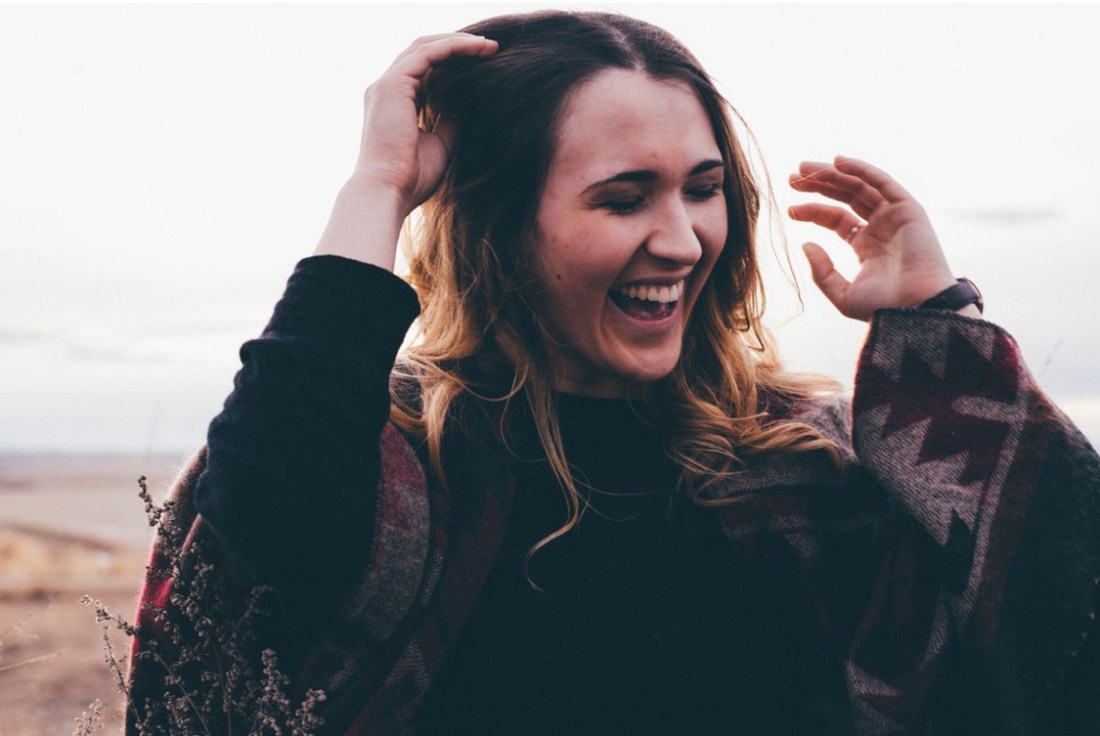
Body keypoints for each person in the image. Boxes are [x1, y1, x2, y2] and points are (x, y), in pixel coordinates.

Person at [127, 9, 1100, 735]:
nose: (682, 240)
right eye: (623, 198)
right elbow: (252, 544)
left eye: (703, 189)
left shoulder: (807, 467)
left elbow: (1056, 610)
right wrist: (377, 186)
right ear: (504, 224)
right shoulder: (400, 464)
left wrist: (939, 333)